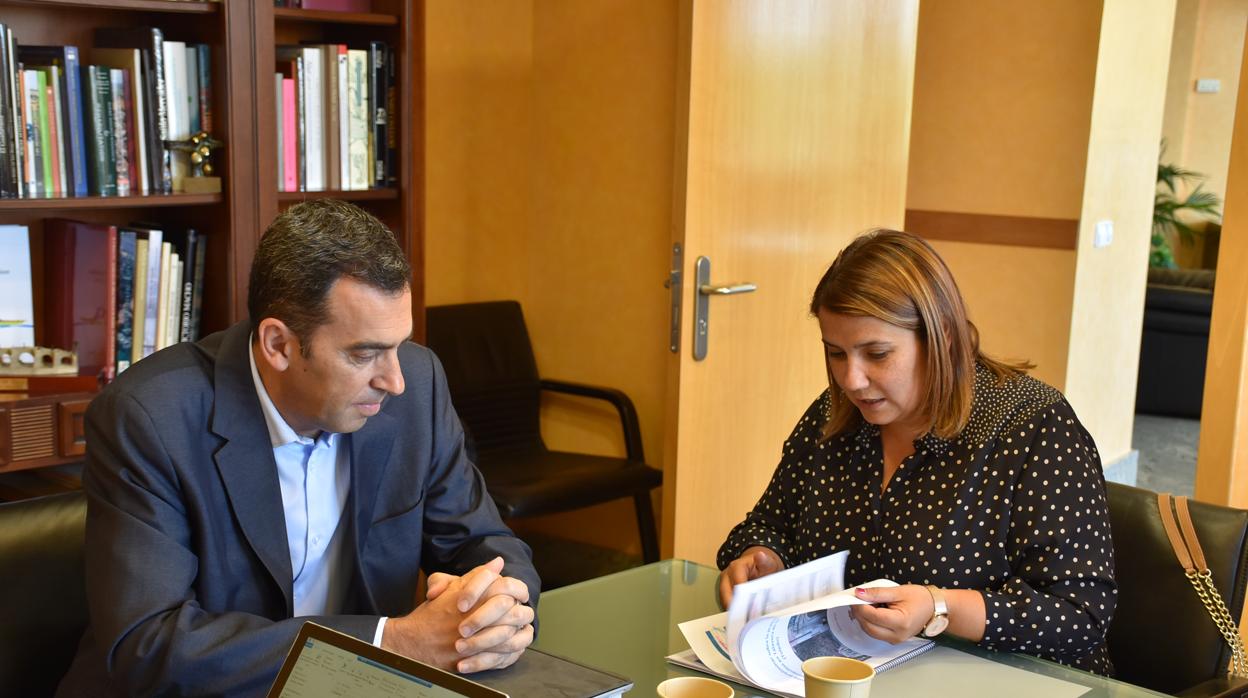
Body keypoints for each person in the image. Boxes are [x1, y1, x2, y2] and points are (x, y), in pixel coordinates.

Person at [57, 200, 540, 696]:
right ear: (279, 345)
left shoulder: (416, 384)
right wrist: (390, 643)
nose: (394, 379)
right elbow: (148, 645)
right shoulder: (150, 418)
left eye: (399, 345)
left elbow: (481, 542)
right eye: (364, 353)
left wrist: (502, 607)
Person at [716, 229, 1116, 674]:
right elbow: (770, 524)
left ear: (940, 336)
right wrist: (761, 556)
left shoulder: (1032, 427)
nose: (852, 380)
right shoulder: (835, 417)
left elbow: (1079, 616)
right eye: (836, 353)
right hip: (863, 674)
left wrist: (937, 607)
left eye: (877, 354)